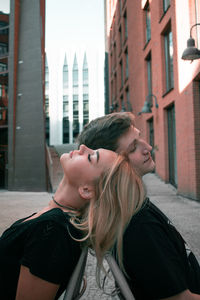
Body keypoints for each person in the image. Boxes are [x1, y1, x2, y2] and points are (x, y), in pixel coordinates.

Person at [77, 112, 200, 300]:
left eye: (140, 138)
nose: (148, 147)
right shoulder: (140, 227)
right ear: (112, 165)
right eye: (134, 147)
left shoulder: (133, 209)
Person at [0, 144, 145, 300]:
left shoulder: (53, 231)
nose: (83, 147)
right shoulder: (54, 222)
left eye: (91, 157)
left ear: (87, 190)